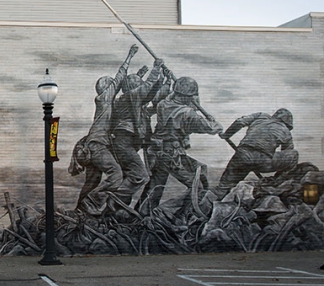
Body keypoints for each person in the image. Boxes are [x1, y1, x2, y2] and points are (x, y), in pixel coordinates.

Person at [137, 77, 224, 213]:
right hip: (172, 154)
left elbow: (175, 100)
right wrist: (214, 122)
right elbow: (211, 128)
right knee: (198, 186)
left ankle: (142, 213)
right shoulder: (187, 114)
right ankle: (177, 215)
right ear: (188, 97)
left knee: (157, 185)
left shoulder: (163, 105)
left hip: (159, 151)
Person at [71, 44, 138, 215]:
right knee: (116, 174)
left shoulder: (105, 103)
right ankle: (91, 203)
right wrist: (130, 56)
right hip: (97, 146)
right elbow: (119, 78)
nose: (115, 87)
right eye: (112, 85)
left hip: (92, 146)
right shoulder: (104, 99)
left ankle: (79, 212)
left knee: (92, 181)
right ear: (107, 88)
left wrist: (140, 75)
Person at [109, 58, 164, 205]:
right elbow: (146, 88)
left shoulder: (129, 101)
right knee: (141, 176)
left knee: (130, 175)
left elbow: (148, 96)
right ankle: (113, 198)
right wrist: (156, 69)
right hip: (124, 142)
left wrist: (162, 81)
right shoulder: (131, 96)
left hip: (126, 143)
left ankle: (117, 210)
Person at [213, 108, 297, 197]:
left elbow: (240, 122)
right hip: (263, 162)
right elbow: (287, 152)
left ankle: (215, 198)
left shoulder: (260, 116)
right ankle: (278, 182)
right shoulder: (286, 131)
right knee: (294, 155)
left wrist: (226, 135)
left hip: (242, 156)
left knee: (223, 188)